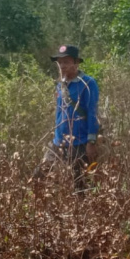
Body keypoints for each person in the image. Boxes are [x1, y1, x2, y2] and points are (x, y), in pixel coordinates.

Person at [33, 44, 99, 191]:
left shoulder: (88, 83)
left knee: (79, 186)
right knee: (38, 176)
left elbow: (92, 112)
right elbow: (59, 112)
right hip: (58, 142)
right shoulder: (60, 85)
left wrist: (91, 141)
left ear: (76, 63)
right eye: (60, 62)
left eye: (66, 62)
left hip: (79, 143)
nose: (62, 65)